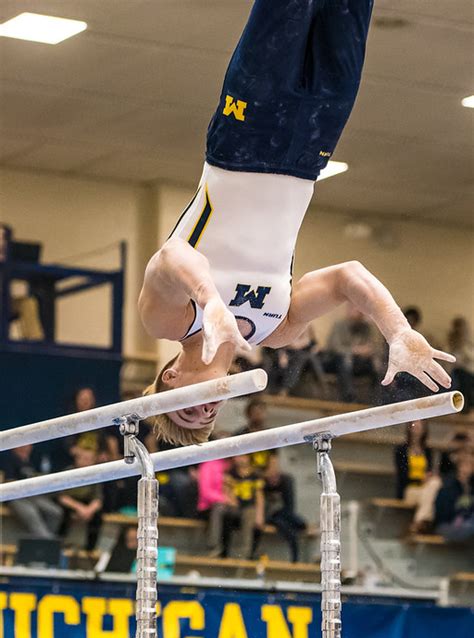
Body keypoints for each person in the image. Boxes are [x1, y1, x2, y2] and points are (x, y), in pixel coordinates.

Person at [139, 0, 454, 445]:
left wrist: (211, 304)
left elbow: (171, 256)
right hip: (311, 150)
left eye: (188, 409)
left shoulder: (168, 321)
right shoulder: (278, 329)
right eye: (207, 415)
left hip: (242, 143)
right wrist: (398, 332)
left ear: (169, 377)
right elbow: (347, 276)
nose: (206, 407)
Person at [253, 453, 307, 562]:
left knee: (295, 524)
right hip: (269, 516)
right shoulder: (261, 483)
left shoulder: (285, 480)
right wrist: (260, 517)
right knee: (288, 527)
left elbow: (290, 506)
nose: (274, 472)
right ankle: (252, 554)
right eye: (271, 469)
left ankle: (295, 559)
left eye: (276, 468)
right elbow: (260, 504)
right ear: (267, 470)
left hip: (282, 514)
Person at [321, 305, 382, 402]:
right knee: (343, 359)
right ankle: (348, 397)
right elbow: (333, 347)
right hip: (337, 361)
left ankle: (377, 399)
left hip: (358, 363)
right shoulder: (339, 325)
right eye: (357, 310)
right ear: (349, 310)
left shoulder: (366, 327)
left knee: (376, 364)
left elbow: (374, 347)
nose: (360, 313)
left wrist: (373, 323)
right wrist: (354, 350)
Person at [4, 444, 62, 539]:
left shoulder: (29, 461)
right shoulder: (9, 459)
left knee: (55, 512)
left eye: (29, 445)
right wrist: (25, 488)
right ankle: (49, 543)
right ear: (16, 446)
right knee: (32, 514)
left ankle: (44, 543)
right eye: (24, 445)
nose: (27, 447)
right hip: (15, 497)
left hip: (32, 495)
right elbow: (8, 482)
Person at [435, 448, 474, 542]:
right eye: (465, 465)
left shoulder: (471, 487)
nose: (466, 469)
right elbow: (442, 512)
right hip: (447, 525)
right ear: (459, 467)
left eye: (470, 466)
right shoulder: (448, 485)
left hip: (467, 524)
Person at [394, 421, 433, 504]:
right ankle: (423, 517)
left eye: (420, 426)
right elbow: (402, 475)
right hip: (409, 488)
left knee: (433, 487)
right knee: (428, 497)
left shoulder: (428, 451)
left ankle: (422, 517)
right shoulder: (401, 450)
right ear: (409, 428)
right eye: (415, 426)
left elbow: (429, 471)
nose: (417, 429)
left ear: (424, 429)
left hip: (425, 488)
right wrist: (420, 480)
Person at [447, 317, 474, 411]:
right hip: (457, 372)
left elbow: (470, 358)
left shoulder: (468, 342)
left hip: (467, 372)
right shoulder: (453, 340)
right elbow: (452, 359)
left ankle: (465, 406)